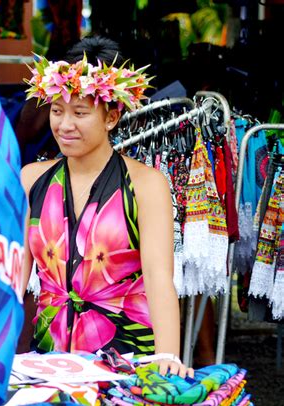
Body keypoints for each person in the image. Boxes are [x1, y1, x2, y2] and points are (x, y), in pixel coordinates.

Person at [20, 35, 194, 378]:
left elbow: (160, 279)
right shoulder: (31, 180)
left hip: (126, 366)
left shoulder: (147, 184)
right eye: (57, 110)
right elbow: (13, 280)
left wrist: (168, 357)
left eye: (79, 112)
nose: (64, 125)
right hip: (48, 364)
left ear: (112, 117)